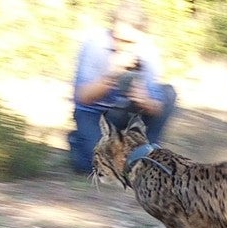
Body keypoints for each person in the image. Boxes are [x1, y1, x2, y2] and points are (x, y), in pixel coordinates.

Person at [68, 0, 176, 173]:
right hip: (94, 113)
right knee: (95, 167)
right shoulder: (94, 45)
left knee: (168, 94)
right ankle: (79, 142)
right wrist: (112, 75)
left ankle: (148, 152)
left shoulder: (148, 51)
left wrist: (145, 101)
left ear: (141, 35)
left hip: (126, 112)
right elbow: (82, 97)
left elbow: (157, 106)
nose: (122, 46)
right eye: (118, 39)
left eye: (129, 42)